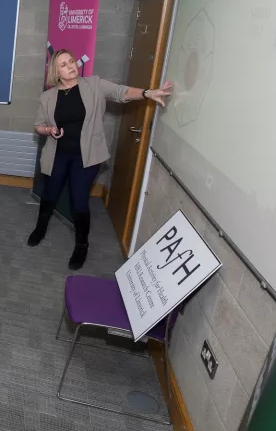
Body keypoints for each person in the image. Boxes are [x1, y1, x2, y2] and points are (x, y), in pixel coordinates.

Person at [29, 50, 173, 269]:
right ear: (56, 73)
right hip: (56, 154)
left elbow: (121, 92)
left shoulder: (94, 85)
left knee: (79, 201)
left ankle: (81, 244)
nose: (70, 66)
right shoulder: (47, 97)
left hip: (86, 157)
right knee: (50, 194)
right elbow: (38, 126)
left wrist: (147, 93)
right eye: (63, 64)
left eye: (71, 61)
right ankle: (40, 228)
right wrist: (49, 129)